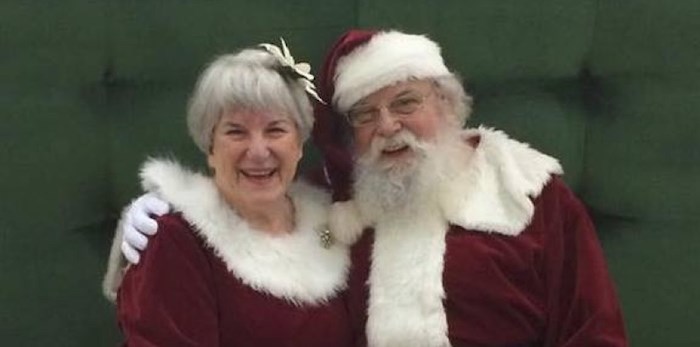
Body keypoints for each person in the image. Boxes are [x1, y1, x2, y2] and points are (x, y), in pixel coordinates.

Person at [117, 30, 628, 346]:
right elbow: (245, 208)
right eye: (365, 114)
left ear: (448, 104)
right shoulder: (335, 205)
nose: (387, 126)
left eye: (406, 103)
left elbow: (594, 333)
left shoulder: (527, 192)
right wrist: (159, 211)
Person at [102, 39, 352, 347]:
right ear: (210, 147)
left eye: (275, 130)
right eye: (236, 131)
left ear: (299, 144)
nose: (258, 152)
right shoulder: (176, 240)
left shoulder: (333, 221)